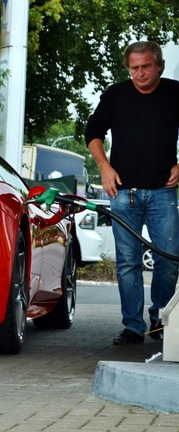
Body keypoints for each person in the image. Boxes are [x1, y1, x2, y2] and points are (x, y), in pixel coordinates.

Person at [85, 40, 179, 345]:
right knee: (127, 262)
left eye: (146, 67)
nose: (139, 73)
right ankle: (133, 326)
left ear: (159, 66)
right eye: (134, 68)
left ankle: (160, 320)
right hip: (123, 193)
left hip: (163, 194)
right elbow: (93, 132)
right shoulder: (116, 95)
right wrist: (104, 166)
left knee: (169, 259)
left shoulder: (175, 93)